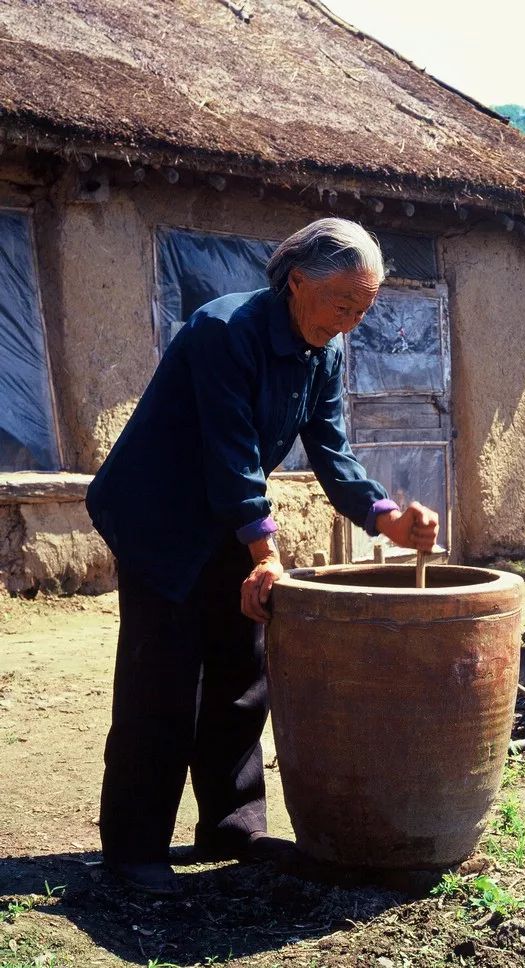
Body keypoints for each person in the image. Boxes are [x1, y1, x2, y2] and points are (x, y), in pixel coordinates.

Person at [86, 218, 439, 896]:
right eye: (343, 305)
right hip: (158, 515)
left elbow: (331, 450)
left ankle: (231, 824)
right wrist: (266, 554)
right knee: (163, 680)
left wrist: (388, 518)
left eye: (363, 311)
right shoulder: (225, 333)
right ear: (297, 282)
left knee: (242, 665)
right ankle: (132, 851)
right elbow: (233, 455)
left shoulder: (324, 349)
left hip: (225, 516)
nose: (350, 324)